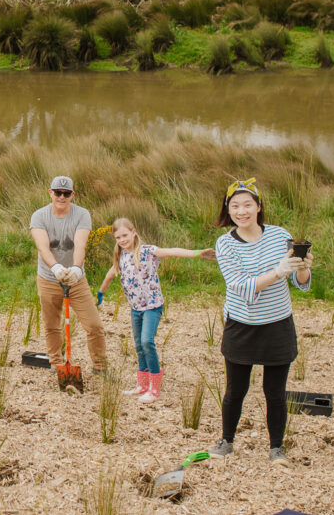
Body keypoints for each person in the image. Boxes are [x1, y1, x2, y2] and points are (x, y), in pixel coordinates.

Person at [207, 178, 311, 466]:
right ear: (228, 210)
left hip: (277, 323)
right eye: (235, 206)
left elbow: (300, 282)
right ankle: (227, 440)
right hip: (241, 324)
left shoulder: (280, 235)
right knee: (235, 390)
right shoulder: (225, 244)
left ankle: (276, 448)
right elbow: (239, 285)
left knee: (275, 393)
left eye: (247, 205)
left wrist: (301, 268)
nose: (241, 211)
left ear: (259, 207)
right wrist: (278, 270)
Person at [97, 217, 215, 403]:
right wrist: (100, 292)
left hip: (152, 306)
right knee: (138, 345)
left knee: (146, 342)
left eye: (125, 235)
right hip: (136, 308)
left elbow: (173, 251)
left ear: (133, 232)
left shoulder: (148, 251)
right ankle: (142, 384)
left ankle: (154, 388)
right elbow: (110, 274)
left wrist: (198, 253)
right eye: (118, 237)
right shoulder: (121, 256)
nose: (122, 240)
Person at [29, 175, 105, 381]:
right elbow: (42, 245)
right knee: (52, 324)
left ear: (72, 194)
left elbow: (80, 243)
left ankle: (100, 367)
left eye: (66, 193)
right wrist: (55, 268)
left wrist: (77, 269)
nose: (61, 197)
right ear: (50, 192)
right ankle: (56, 363)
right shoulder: (39, 216)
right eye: (57, 192)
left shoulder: (82, 214)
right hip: (48, 278)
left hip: (76, 280)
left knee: (94, 325)